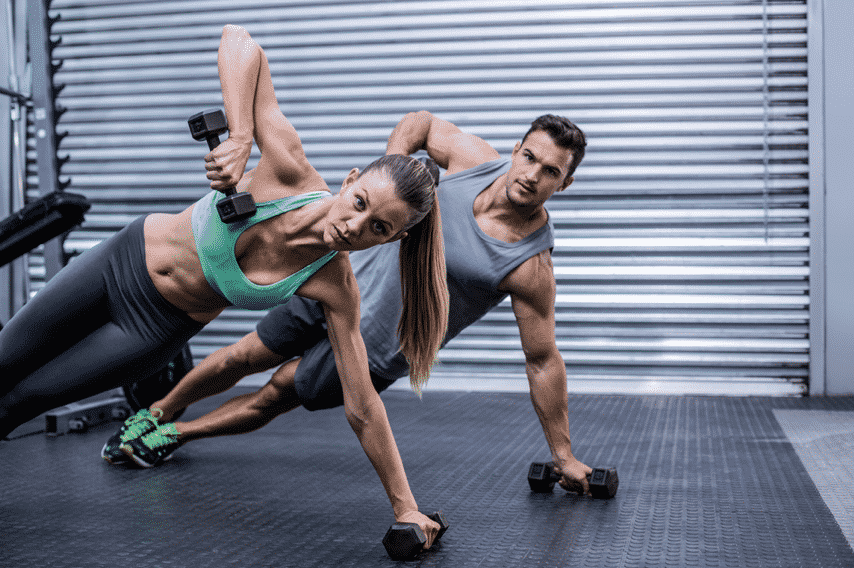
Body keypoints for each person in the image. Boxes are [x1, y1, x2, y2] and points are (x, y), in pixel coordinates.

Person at [0, 25, 448, 545]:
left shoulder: (333, 285)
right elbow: (239, 40)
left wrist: (407, 507)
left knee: (21, 402)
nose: (354, 227)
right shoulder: (287, 169)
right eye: (361, 204)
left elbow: (363, 405)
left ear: (393, 239)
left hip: (152, 328)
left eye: (379, 229)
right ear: (350, 180)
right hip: (118, 263)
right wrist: (240, 138)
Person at [105, 107, 594, 496]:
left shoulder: (529, 265)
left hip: (380, 347)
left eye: (550, 171)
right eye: (529, 157)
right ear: (516, 149)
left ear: (564, 184)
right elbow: (420, 123)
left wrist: (563, 453)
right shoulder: (473, 160)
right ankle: (159, 411)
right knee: (243, 354)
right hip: (337, 286)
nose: (532, 174)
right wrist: (395, 172)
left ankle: (176, 435)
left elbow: (542, 360)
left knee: (278, 391)